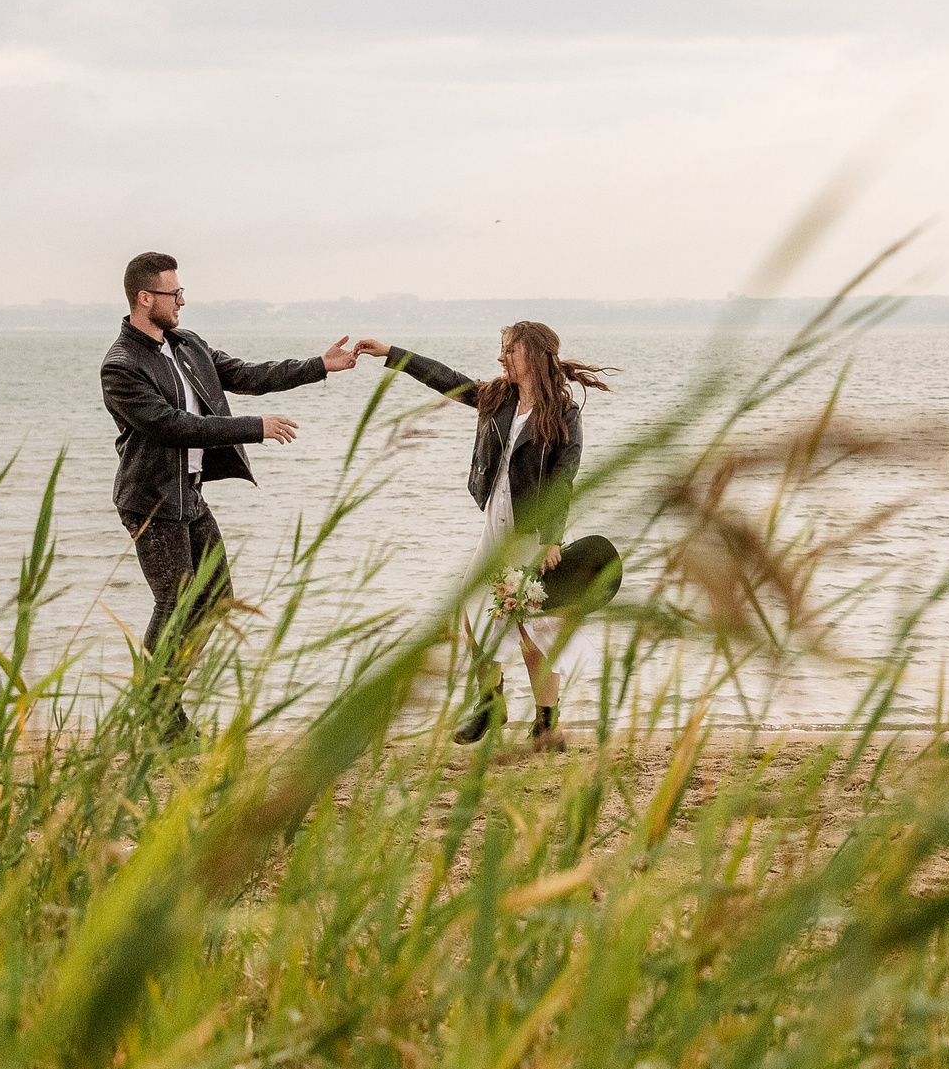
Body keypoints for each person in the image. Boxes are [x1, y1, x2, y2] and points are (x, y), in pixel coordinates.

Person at [100, 251, 359, 725]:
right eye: (174, 293)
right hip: (151, 500)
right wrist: (253, 427)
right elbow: (172, 426)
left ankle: (161, 703)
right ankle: (157, 713)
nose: (182, 301)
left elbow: (246, 375)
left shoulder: (186, 345)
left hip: (189, 495)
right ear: (144, 298)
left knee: (216, 597)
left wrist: (318, 365)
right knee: (175, 604)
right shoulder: (120, 366)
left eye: (180, 291)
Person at [354, 322, 618, 748]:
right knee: (474, 613)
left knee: (532, 629)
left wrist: (552, 539)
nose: (501, 357)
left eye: (510, 350)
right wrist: (391, 353)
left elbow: (563, 479)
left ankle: (546, 723)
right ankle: (491, 705)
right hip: (495, 524)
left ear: (534, 356)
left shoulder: (563, 415)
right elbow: (445, 378)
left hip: (531, 532)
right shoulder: (496, 398)